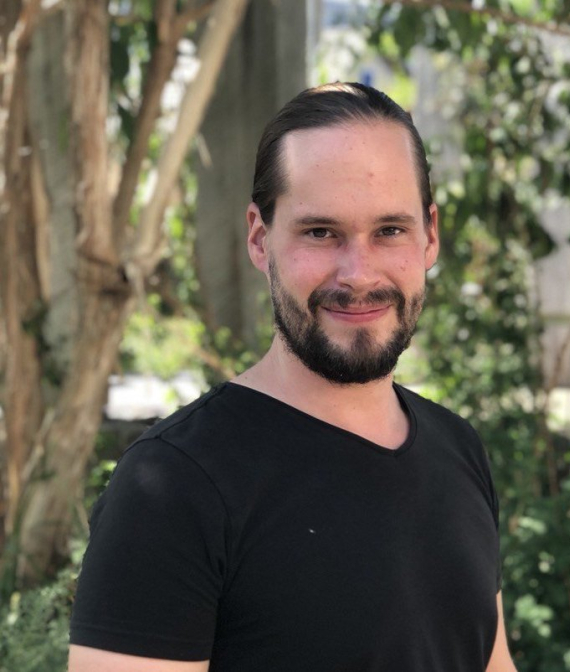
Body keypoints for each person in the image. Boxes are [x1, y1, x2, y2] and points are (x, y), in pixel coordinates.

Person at [68, 82, 517, 672]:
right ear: (261, 239)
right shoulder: (175, 488)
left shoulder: (458, 448)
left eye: (390, 230)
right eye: (320, 232)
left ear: (429, 236)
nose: (358, 275)